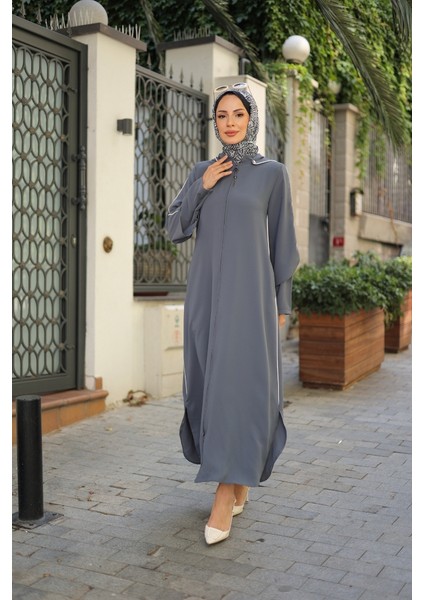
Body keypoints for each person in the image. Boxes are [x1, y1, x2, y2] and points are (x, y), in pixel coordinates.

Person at [165, 82, 300, 545]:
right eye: (221, 115)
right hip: (205, 299)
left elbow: (284, 245)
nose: (229, 122)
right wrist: (202, 187)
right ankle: (238, 478)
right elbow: (174, 228)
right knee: (208, 385)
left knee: (239, 388)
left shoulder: (272, 174)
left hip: (251, 301)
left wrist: (282, 304)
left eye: (237, 114)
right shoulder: (202, 171)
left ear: (251, 119)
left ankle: (224, 493)